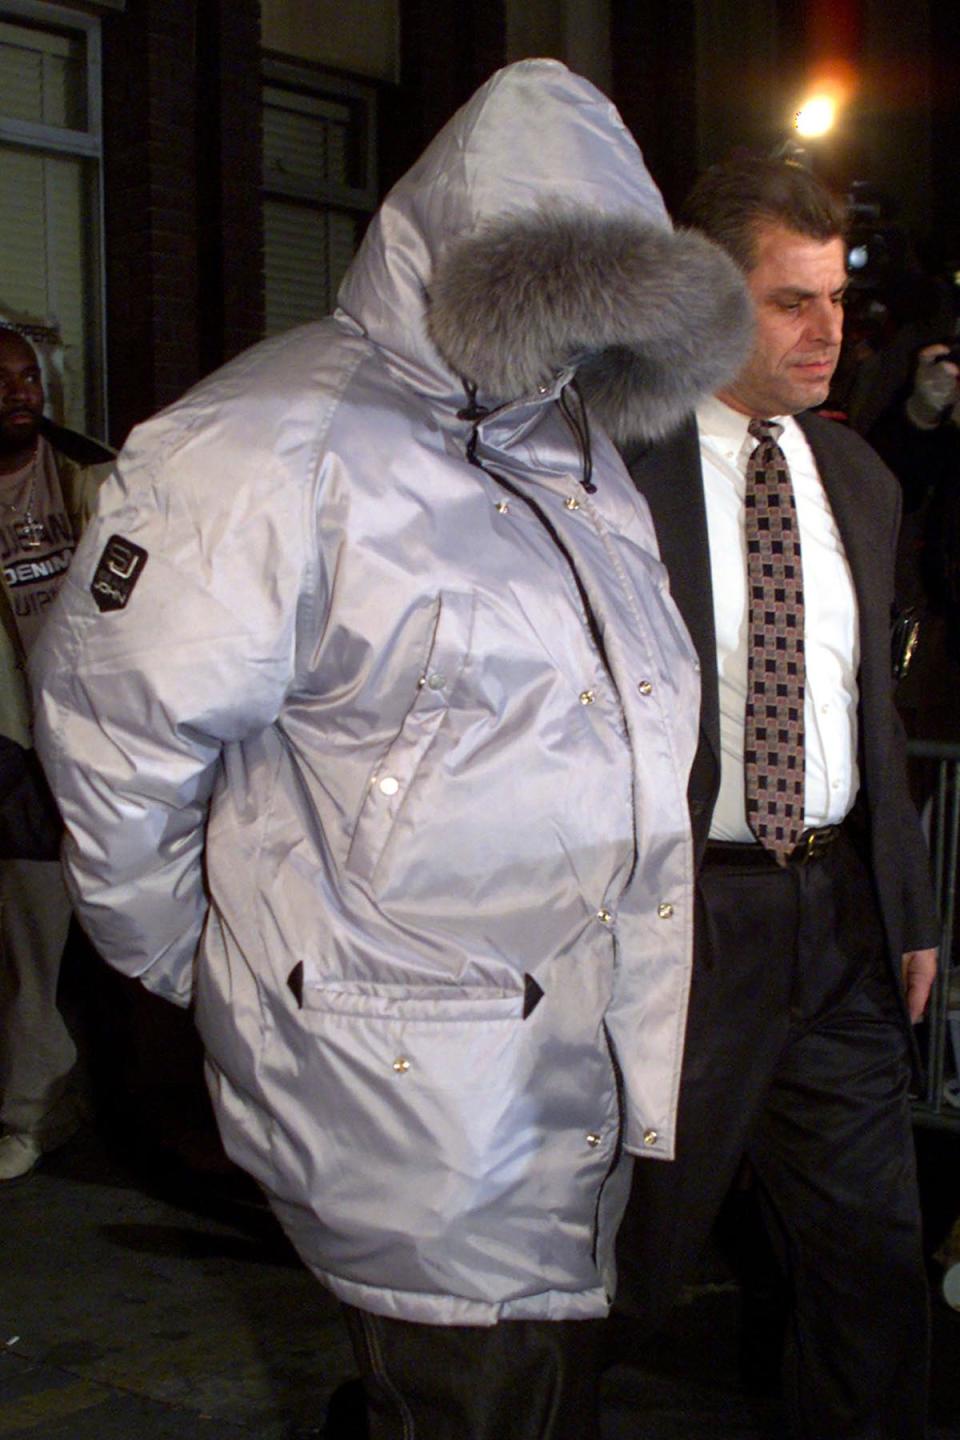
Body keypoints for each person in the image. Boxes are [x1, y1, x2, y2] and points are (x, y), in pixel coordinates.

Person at [30, 62, 753, 1440]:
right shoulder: (263, 447)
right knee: (469, 1399)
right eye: (557, 301)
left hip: (571, 1042)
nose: (578, 348)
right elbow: (119, 746)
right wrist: (207, 959)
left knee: (513, 1395)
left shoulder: (574, 449)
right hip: (406, 1073)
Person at [616, 154, 939, 1440]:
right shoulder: (610, 474)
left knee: (872, 1272)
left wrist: (905, 905)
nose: (829, 331)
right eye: (790, 300)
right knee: (616, 1271)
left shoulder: (857, 480)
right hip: (681, 927)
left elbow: (875, 712)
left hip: (838, 926)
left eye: (839, 299)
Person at [0, 326, 112, 1181]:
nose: (17, 390)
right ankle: (34, 1109)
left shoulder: (94, 475)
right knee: (28, 937)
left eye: (26, 375)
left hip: (96, 736)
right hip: (10, 741)